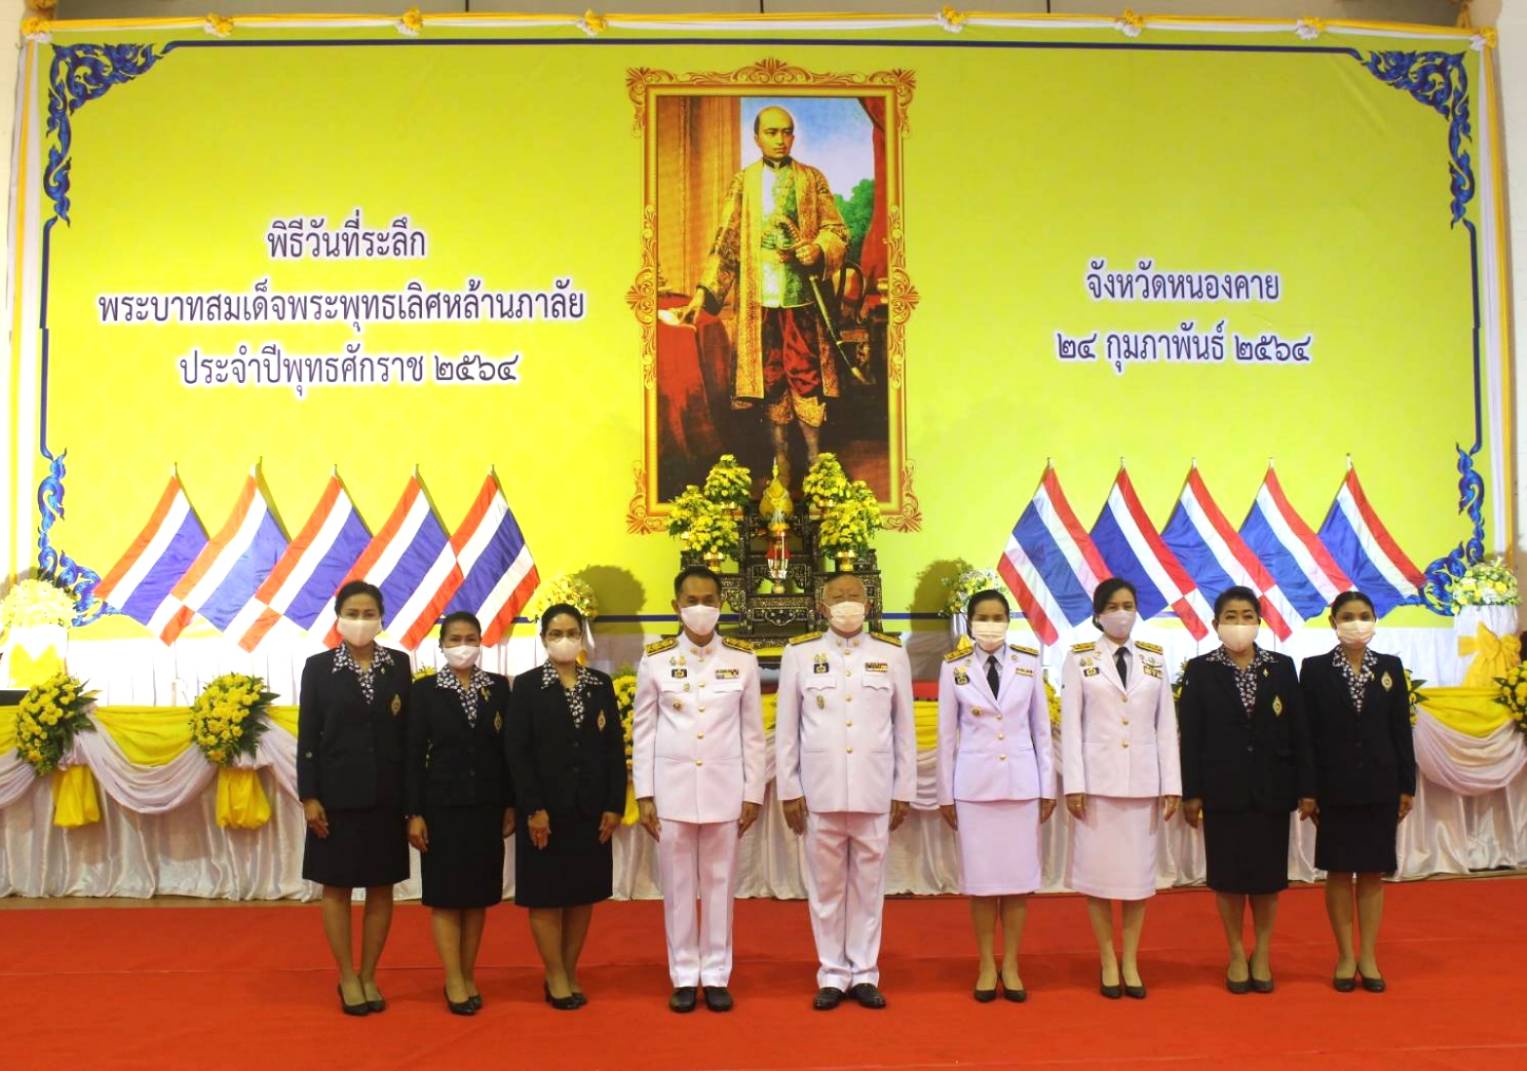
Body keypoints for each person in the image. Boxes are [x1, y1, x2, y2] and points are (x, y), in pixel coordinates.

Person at [679, 104, 851, 485]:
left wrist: (818, 249)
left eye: (787, 132)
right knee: (771, 383)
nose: (780, 139)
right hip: (760, 305)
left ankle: (815, 466)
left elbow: (837, 231)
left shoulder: (812, 179)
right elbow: (725, 242)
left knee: (806, 381)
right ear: (756, 138)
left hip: (802, 302)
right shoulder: (744, 183)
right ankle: (781, 467)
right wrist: (702, 295)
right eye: (772, 132)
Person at [776, 573, 916, 1010]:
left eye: (854, 595)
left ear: (869, 602)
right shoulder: (800, 654)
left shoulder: (891, 654)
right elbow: (786, 730)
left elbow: (904, 728)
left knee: (869, 888)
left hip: (875, 790)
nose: (847, 603)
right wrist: (788, 788)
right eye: (838, 597)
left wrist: (903, 788)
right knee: (826, 888)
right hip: (820, 792)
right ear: (822, 607)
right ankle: (833, 973)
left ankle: (864, 972)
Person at [633, 565, 767, 1013]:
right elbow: (645, 732)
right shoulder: (654, 660)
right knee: (676, 887)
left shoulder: (742, 660)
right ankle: (684, 975)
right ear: (676, 606)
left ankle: (716, 973)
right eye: (691, 600)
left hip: (724, 790)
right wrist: (644, 794)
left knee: (719, 885)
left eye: (709, 599)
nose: (701, 608)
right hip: (671, 792)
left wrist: (753, 793)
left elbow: (753, 734)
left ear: (722, 603)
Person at [1178, 586, 1316, 995]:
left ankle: (1263, 952)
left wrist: (1307, 787)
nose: (1240, 623)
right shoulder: (1201, 670)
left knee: (1268, 880)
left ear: (1259, 620)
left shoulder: (1282, 666)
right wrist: (1192, 793)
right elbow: (1192, 737)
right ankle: (1237, 952)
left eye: (1247, 615)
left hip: (1272, 790)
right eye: (1231, 616)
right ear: (1217, 622)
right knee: (1229, 880)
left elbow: (1300, 732)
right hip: (1223, 791)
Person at [1061, 577, 1180, 1000]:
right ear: (1097, 614)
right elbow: (1071, 726)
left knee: (1135, 880)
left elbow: (1166, 725)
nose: (1121, 612)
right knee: (1098, 878)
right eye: (1113, 606)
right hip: (1097, 784)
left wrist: (1172, 785)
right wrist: (1073, 783)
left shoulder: (1154, 659)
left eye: (1128, 605)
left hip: (1143, 783)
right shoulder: (1078, 659)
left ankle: (1131, 958)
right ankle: (1107, 957)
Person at [297, 580, 413, 1017]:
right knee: (338, 887)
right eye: (353, 612)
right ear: (338, 616)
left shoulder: (399, 665)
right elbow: (308, 736)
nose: (361, 621)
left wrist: (411, 803)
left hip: (387, 796)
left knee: (382, 888)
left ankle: (369, 973)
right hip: (335, 797)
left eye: (369, 613)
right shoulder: (319, 667)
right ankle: (347, 974)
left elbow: (406, 737)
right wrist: (310, 796)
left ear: (381, 617)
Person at [503, 603, 626, 1010]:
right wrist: (532, 807)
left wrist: (613, 804)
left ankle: (569, 969)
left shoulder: (600, 684)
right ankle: (553, 973)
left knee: (580, 894)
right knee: (545, 895)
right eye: (556, 633)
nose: (564, 639)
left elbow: (611, 750)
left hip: (590, 809)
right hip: (544, 811)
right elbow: (517, 753)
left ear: (583, 635)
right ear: (543, 639)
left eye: (571, 631)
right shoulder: (525, 686)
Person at [936, 589, 1056, 1003]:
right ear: (970, 622)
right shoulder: (954, 668)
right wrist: (945, 794)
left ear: (1009, 620)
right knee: (984, 884)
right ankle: (987, 962)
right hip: (975, 788)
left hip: (1020, 785)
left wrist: (1047, 786)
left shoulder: (1027, 663)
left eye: (998, 616)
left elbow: (1041, 729)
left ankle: (1012, 963)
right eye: (983, 617)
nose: (991, 623)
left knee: (1018, 883)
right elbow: (945, 736)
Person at [1299, 590, 1416, 993]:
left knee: (1371, 872)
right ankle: (1345, 955)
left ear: (1374, 619)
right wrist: (1309, 789)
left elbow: (1401, 730)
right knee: (1337, 871)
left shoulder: (1390, 666)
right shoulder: (1313, 670)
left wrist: (1406, 784)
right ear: (1333, 622)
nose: (1356, 622)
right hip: (1334, 787)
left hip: (1380, 784)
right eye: (1347, 616)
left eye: (1363, 615)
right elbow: (1307, 736)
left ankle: (1368, 954)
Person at [405, 612, 514, 1016]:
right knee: (448, 898)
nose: (462, 644)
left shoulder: (499, 688)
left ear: (482, 641)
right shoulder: (425, 691)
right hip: (441, 807)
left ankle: (469, 974)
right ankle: (453, 978)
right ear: (442, 644)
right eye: (454, 638)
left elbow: (508, 753)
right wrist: (414, 812)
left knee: (478, 897)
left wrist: (509, 803)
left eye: (470, 637)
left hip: (486, 807)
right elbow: (413, 756)